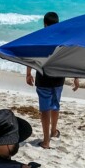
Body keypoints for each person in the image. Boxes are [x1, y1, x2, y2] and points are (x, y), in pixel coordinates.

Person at [25, 11, 66, 148]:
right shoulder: (63, 39)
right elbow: (70, 58)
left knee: (45, 109)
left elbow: (31, 56)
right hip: (59, 77)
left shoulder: (39, 37)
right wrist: (76, 76)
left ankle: (46, 140)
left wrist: (28, 73)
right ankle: (54, 131)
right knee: (55, 105)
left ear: (45, 24)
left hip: (43, 77)